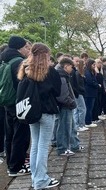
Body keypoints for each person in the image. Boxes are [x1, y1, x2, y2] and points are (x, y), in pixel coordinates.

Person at [17, 43, 61, 189]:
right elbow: (57, 91)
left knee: (35, 145)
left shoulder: (25, 68)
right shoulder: (50, 71)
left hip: (31, 111)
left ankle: (36, 178)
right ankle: (41, 180)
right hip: (47, 111)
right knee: (42, 146)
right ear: (45, 55)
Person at [1, 36, 31, 176]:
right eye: (26, 47)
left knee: (9, 135)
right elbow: (23, 84)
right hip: (19, 103)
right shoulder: (19, 62)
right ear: (20, 47)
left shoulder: (3, 59)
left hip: (6, 101)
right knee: (21, 135)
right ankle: (16, 167)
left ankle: (10, 165)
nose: (27, 50)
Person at [55, 58, 77, 156]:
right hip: (65, 106)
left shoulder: (62, 75)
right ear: (66, 66)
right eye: (71, 67)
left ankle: (64, 147)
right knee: (64, 127)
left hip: (65, 105)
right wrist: (71, 102)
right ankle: (62, 148)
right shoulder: (62, 77)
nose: (72, 69)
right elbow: (63, 95)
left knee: (65, 126)